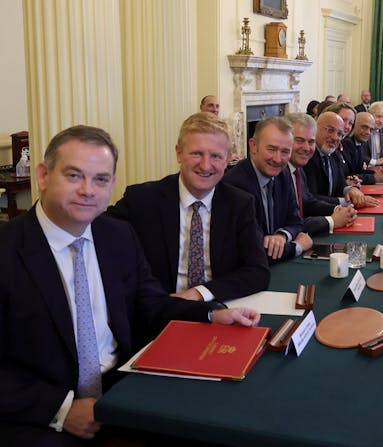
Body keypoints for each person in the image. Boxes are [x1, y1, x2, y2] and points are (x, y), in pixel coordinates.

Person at [0, 125, 259, 444]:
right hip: (38, 413)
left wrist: (211, 314)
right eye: (73, 176)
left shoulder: (117, 235)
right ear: (42, 176)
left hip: (122, 390)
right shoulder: (8, 251)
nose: (88, 190)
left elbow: (150, 303)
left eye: (101, 179)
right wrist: (62, 409)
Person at [108, 113, 270, 302]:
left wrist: (198, 293)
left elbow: (258, 272)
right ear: (178, 153)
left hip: (216, 308)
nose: (205, 165)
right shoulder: (142, 200)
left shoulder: (240, 204)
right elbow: (97, 233)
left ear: (227, 159)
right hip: (158, 314)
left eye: (216, 156)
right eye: (196, 153)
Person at [223, 117, 312, 262]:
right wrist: (297, 246)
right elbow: (253, 252)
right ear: (253, 146)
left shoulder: (282, 174)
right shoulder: (234, 185)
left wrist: (282, 235)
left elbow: (296, 221)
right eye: (271, 149)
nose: (277, 159)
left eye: (285, 152)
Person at [286, 113, 357, 235]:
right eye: (299, 140)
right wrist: (332, 220)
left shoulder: (297, 168)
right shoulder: (279, 172)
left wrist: (337, 210)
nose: (307, 148)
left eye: (311, 142)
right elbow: (287, 224)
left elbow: (307, 201)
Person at [303, 111, 377, 208]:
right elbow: (310, 198)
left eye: (339, 134)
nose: (335, 137)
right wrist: (348, 202)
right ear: (315, 128)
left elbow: (340, 185)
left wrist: (350, 189)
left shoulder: (334, 154)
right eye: (330, 130)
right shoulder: (308, 156)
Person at [341, 112, 383, 184]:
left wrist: (378, 173)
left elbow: (358, 171)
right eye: (364, 127)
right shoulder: (346, 144)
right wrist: (374, 178)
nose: (368, 132)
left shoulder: (360, 143)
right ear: (354, 126)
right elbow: (347, 177)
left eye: (371, 129)